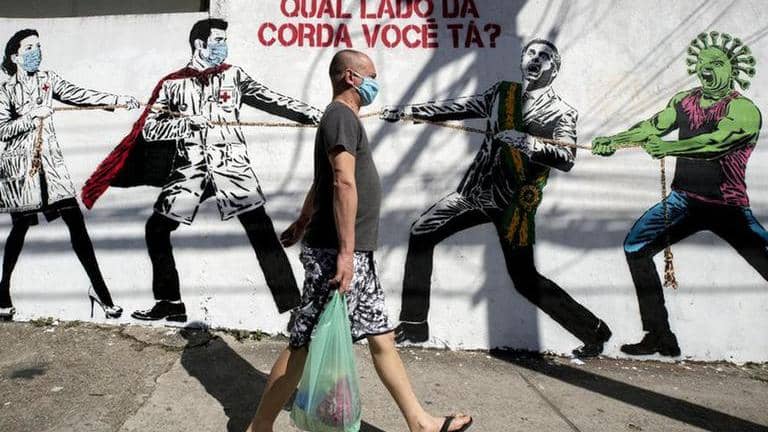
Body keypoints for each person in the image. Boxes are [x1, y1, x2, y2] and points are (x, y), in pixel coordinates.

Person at [247, 50, 473, 432]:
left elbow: (322, 181)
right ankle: (259, 426)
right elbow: (341, 181)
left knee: (382, 337)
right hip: (335, 253)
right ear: (351, 77)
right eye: (371, 76)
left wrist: (303, 219)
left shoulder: (344, 119)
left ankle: (421, 423)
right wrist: (346, 253)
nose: (375, 83)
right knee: (303, 344)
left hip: (353, 253)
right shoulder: (340, 116)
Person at [81, 19, 323, 322]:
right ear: (200, 43)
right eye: (219, 40)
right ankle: (170, 303)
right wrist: (185, 124)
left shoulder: (234, 75)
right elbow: (150, 130)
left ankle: (292, 306)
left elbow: (272, 99)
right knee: (156, 229)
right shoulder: (172, 84)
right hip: (191, 171)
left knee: (260, 230)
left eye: (225, 40)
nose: (224, 46)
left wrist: (314, 114)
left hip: (231, 168)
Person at [382, 39, 611, 358]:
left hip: (514, 204)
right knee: (422, 231)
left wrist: (527, 142)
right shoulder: (503, 93)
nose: (536, 59)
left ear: (554, 69)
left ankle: (594, 330)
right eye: (531, 53)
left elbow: (566, 157)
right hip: (475, 191)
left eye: (545, 57)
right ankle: (414, 324)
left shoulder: (562, 112)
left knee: (524, 280)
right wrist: (409, 112)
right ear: (522, 59)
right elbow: (459, 106)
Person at [592, 31, 764, 356]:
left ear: (732, 68)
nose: (707, 69)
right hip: (684, 200)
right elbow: (652, 127)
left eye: (716, 63)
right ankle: (660, 335)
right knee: (636, 246)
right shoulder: (685, 101)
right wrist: (614, 141)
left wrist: (670, 148)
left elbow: (716, 143)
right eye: (702, 64)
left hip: (727, 206)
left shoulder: (744, 110)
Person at [0, 28, 139, 321]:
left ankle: (102, 294)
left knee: (77, 226)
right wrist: (31, 117)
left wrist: (118, 100)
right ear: (15, 57)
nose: (36, 52)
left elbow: (80, 95)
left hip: (51, 171)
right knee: (19, 230)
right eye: (29, 48)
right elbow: (2, 130)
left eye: (38, 46)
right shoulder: (6, 90)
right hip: (22, 173)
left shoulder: (48, 80)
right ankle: (3, 294)